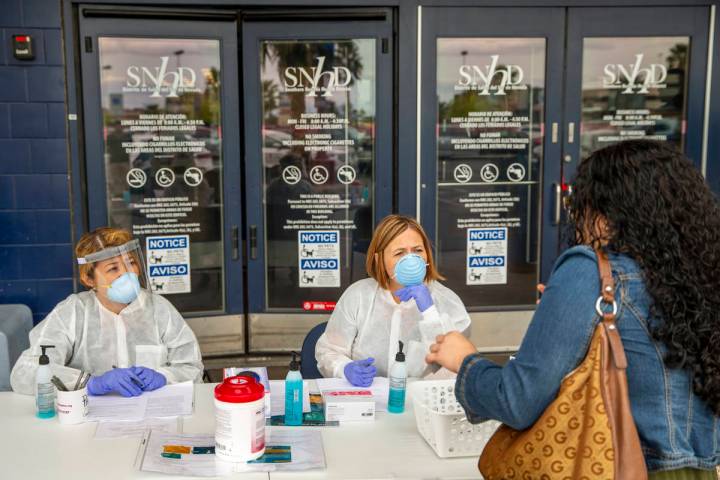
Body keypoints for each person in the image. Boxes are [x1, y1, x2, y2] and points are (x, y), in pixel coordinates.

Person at [427, 140, 720, 478]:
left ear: (605, 213)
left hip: (619, 468)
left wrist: (465, 361)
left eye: (579, 203)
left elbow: (517, 400)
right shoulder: (701, 276)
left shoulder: (590, 271)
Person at [11, 227, 204, 397]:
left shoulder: (159, 309)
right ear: (89, 279)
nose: (127, 274)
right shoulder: (72, 313)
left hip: (153, 416)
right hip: (87, 419)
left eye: (131, 263)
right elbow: (25, 372)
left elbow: (191, 367)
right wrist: (90, 383)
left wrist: (165, 377)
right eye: (113, 268)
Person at [316, 214, 471, 386]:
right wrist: (344, 368)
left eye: (418, 250)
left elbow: (456, 368)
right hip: (367, 398)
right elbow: (329, 350)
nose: (411, 260)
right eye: (399, 253)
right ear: (379, 260)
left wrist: (430, 312)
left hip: (420, 402)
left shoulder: (447, 301)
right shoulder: (359, 296)